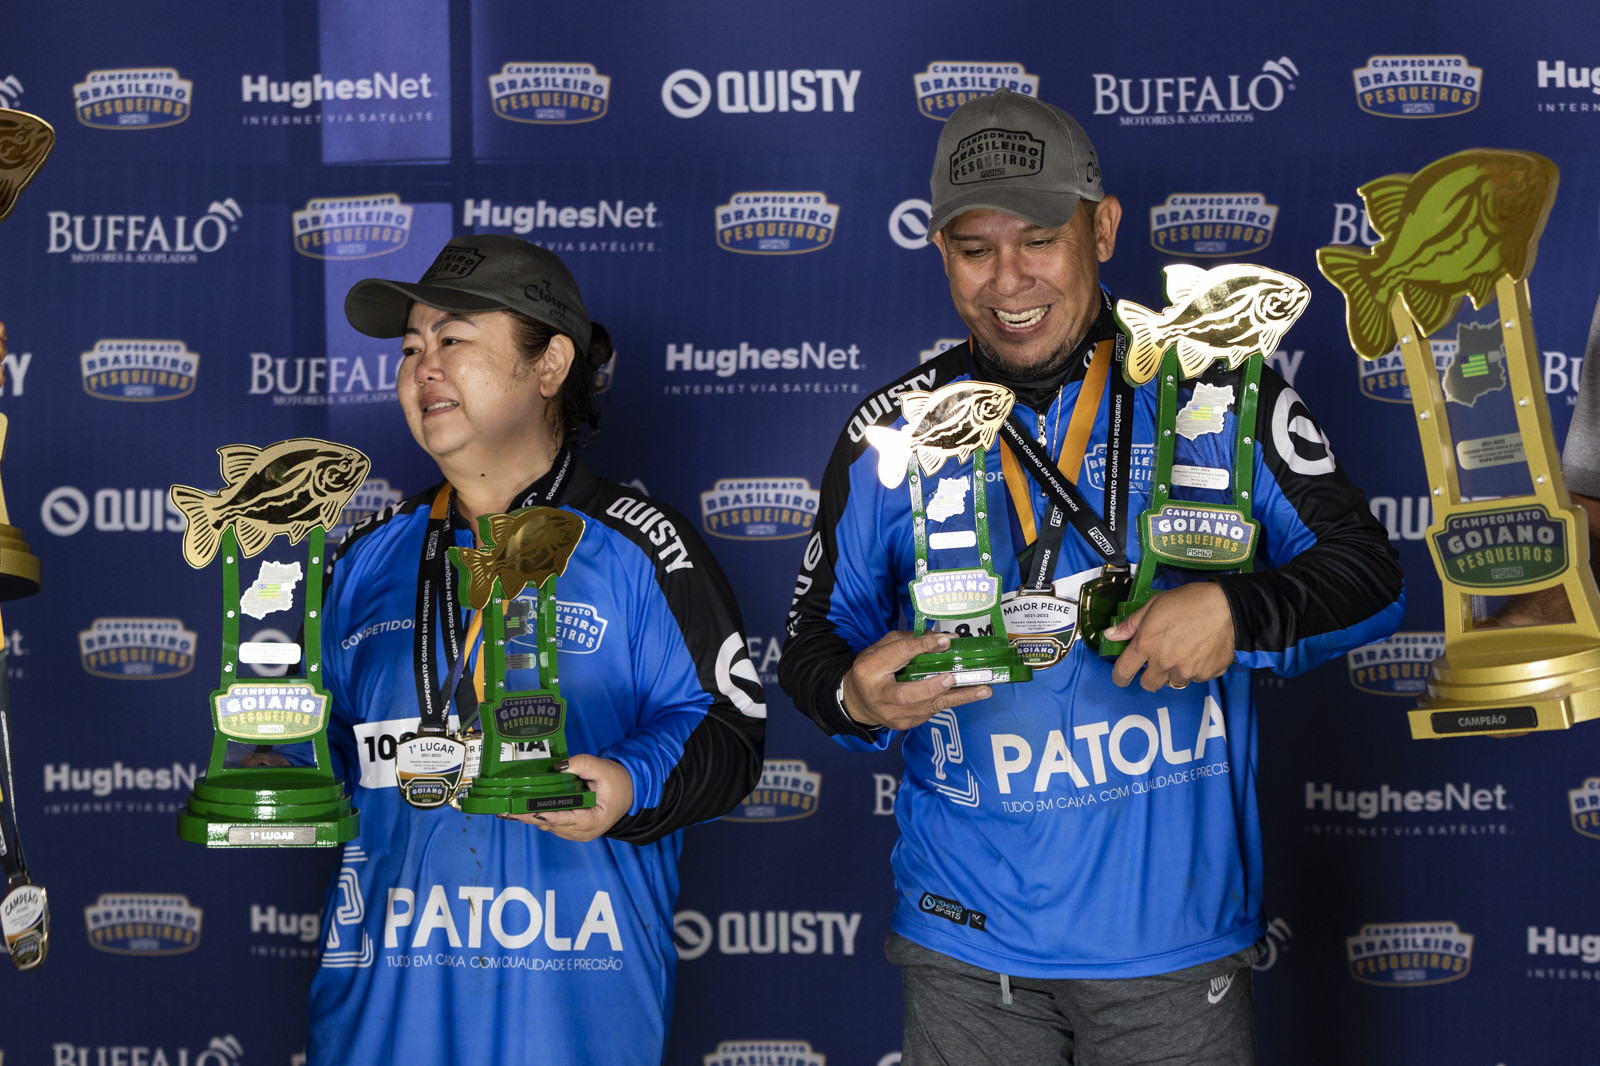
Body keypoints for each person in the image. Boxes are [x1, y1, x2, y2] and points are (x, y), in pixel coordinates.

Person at [779, 89, 1405, 1065]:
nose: (1007, 279)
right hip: (965, 949)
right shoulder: (892, 431)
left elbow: (1372, 576)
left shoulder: (1213, 388)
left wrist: (1237, 610)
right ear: (939, 250)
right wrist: (854, 695)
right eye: (973, 248)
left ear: (1101, 228)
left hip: (1167, 952)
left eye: (1037, 238)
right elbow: (810, 649)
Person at [305, 234, 766, 1066]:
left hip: (570, 1014)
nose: (423, 367)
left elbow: (729, 731)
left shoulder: (644, 549)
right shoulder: (362, 557)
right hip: (378, 1023)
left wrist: (629, 780)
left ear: (551, 365)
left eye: (454, 339)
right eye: (411, 348)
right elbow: (328, 764)